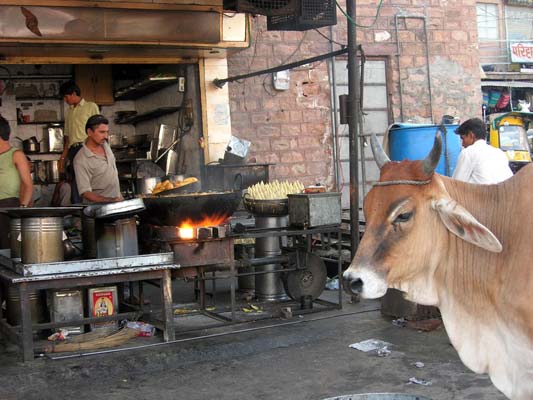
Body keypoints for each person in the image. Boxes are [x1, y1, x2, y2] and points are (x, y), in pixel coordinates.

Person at [58, 81, 99, 203]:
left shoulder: (91, 106)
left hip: (87, 148)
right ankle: (78, 211)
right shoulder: (69, 112)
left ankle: (94, 209)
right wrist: (63, 158)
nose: (65, 100)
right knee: (76, 181)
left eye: (66, 96)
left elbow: (99, 130)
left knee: (92, 179)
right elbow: (67, 137)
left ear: (74, 93)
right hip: (73, 150)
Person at [0, 116, 33, 248]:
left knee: (7, 250)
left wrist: (22, 209)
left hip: (8, 207)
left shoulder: (16, 154)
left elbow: (28, 185)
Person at [73, 114, 123, 203]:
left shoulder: (105, 145)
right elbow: (86, 193)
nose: (106, 136)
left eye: (107, 132)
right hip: (97, 211)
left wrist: (119, 198)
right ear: (89, 132)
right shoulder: (80, 160)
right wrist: (111, 201)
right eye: (102, 132)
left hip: (116, 205)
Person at [452, 117, 513, 184]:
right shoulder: (499, 153)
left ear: (471, 135)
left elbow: (455, 185)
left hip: (484, 193)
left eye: (463, 139)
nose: (462, 144)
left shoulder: (468, 153)